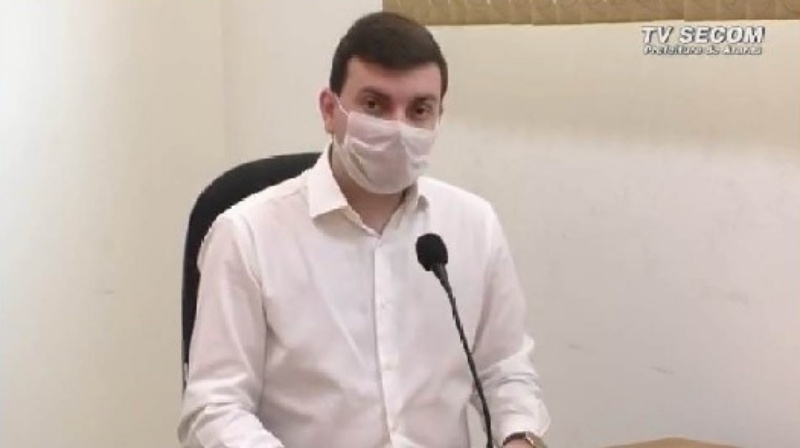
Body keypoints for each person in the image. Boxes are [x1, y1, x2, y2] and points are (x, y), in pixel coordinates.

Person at [178, 10, 551, 448]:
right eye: (375, 105)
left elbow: (505, 370)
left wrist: (519, 436)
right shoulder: (247, 235)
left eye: (419, 110)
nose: (398, 128)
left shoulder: (473, 225)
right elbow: (216, 406)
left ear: (438, 116)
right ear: (329, 110)